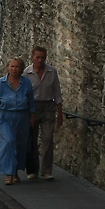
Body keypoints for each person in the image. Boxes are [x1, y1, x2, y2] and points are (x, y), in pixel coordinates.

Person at [0, 57, 35, 186]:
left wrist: (32, 116)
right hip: (6, 117)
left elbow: (31, 101)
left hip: (22, 117)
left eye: (17, 67)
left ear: (21, 69)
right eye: (12, 66)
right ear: (8, 67)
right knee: (8, 142)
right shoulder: (1, 83)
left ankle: (15, 172)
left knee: (19, 145)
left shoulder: (26, 83)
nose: (14, 69)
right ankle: (9, 174)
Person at [24, 46, 64, 180]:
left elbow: (57, 92)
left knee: (48, 139)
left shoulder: (51, 72)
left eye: (43, 57)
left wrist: (60, 112)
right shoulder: (27, 73)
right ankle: (33, 170)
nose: (40, 60)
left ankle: (46, 171)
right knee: (32, 140)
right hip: (32, 108)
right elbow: (24, 93)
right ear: (33, 57)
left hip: (48, 107)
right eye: (38, 57)